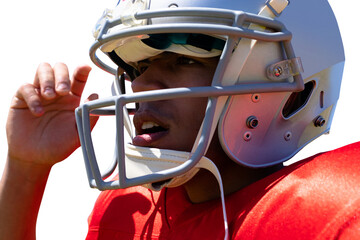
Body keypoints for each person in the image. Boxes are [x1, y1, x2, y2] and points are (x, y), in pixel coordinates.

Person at [1, 0, 360, 239]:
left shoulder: (335, 210)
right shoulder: (129, 213)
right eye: (137, 66)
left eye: (185, 59)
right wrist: (25, 167)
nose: (141, 86)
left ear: (288, 88)